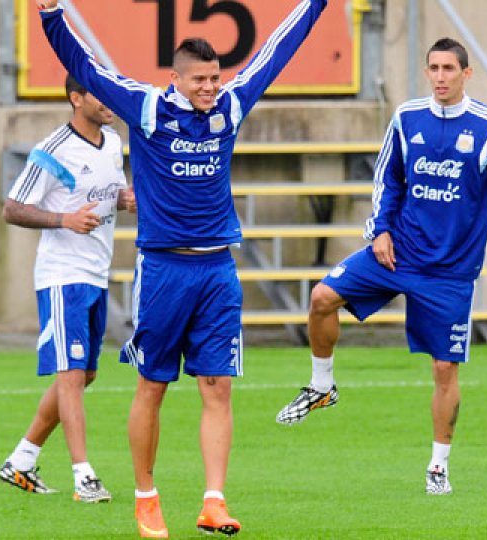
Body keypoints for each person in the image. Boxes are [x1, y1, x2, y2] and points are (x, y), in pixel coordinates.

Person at [35, 0, 328, 536]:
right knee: (153, 384)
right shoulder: (146, 108)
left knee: (217, 384)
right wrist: (53, 15)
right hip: (163, 270)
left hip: (218, 268)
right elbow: (85, 67)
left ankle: (213, 500)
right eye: (199, 80)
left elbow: (276, 51)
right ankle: (146, 497)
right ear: (176, 78)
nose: (210, 87)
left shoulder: (230, 105)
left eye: (215, 78)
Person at [275, 38, 487, 496]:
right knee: (321, 298)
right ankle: (322, 386)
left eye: (448, 69)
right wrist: (378, 229)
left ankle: (438, 466)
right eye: (433, 68)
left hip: (450, 272)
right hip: (396, 253)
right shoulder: (407, 118)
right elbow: (387, 178)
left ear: (466, 74)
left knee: (443, 370)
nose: (439, 76)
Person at [0, 75, 136, 503]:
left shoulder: (112, 142)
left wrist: (122, 199)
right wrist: (64, 220)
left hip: (96, 272)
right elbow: (12, 208)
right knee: (72, 375)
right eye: (98, 93)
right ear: (76, 99)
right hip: (62, 275)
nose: (108, 100)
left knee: (86, 373)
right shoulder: (53, 150)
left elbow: (101, 196)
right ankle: (84, 476)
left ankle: (22, 459)